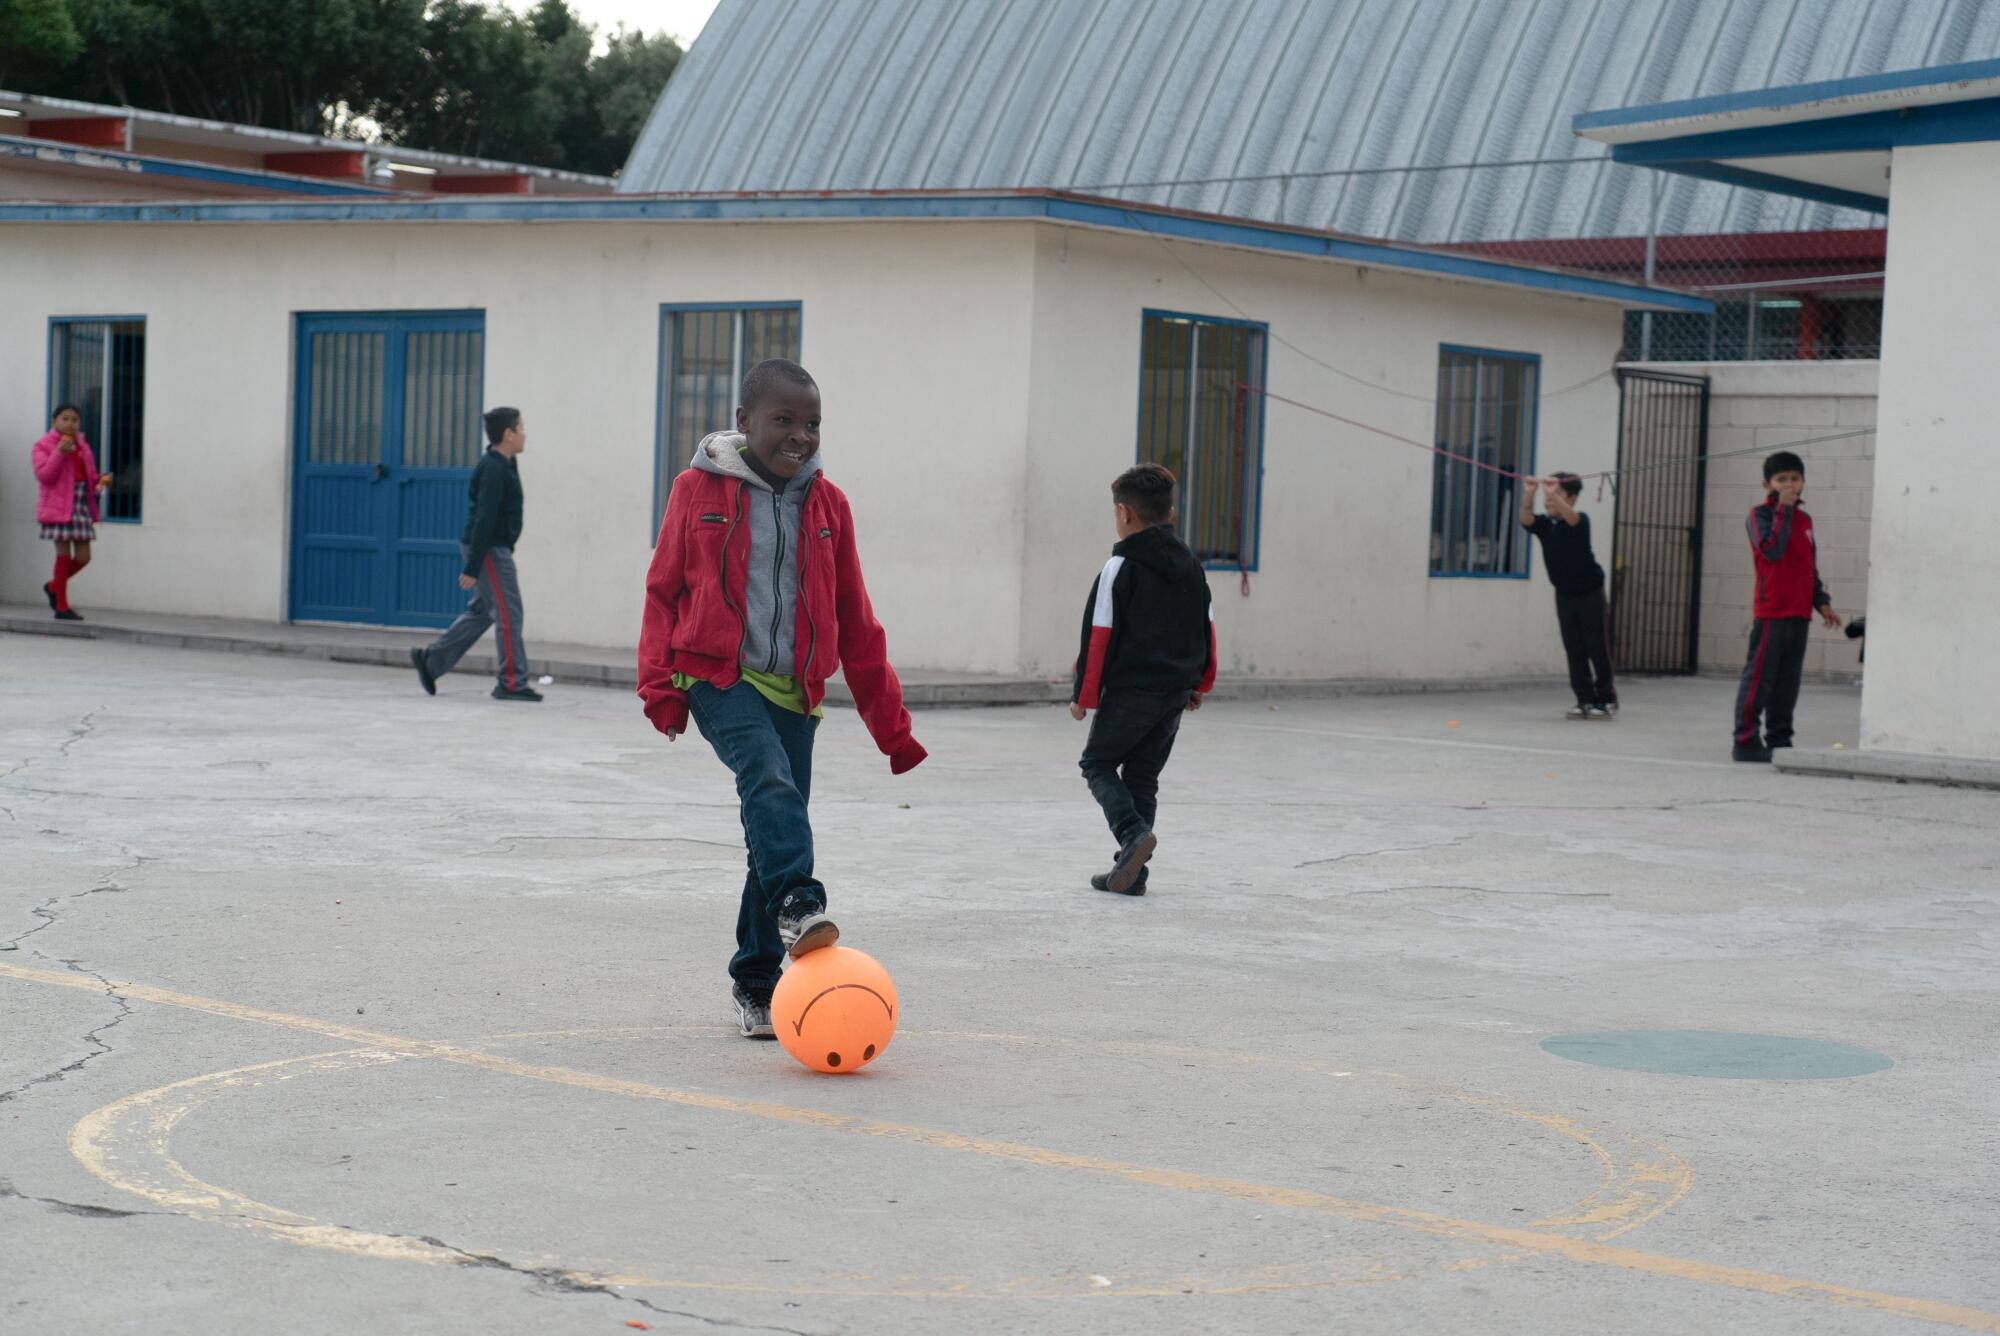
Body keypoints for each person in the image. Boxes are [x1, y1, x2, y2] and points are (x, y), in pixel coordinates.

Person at [637, 359, 926, 1041]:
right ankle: (801, 901)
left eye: (812, 424)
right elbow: (663, 588)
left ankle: (756, 980)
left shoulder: (828, 505)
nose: (799, 436)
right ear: (744, 423)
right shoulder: (695, 489)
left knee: (768, 829)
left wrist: (893, 728)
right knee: (768, 782)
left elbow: (856, 616)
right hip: (714, 674)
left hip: (795, 690)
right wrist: (659, 687)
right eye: (784, 421)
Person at [1069, 463, 1216, 896]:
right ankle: (1132, 876)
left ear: (1124, 513)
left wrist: (1083, 695)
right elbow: (1205, 627)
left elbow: (1099, 635)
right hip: (1173, 693)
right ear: (1170, 514)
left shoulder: (1121, 566)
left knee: (1097, 764)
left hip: (1132, 691)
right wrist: (1199, 684)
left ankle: (1132, 833)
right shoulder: (1192, 565)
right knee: (1142, 777)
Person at [409, 407, 539, 702]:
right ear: (508, 434)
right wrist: (472, 566)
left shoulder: (505, 463)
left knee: (482, 612)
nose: (524, 434)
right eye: (521, 428)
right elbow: (484, 518)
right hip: (490, 549)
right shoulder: (493, 469)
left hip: (492, 547)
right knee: (509, 613)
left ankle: (431, 661)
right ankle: (511, 682)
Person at [1733, 450, 1841, 762]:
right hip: (1772, 611)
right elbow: (1772, 551)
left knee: (1787, 680)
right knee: (1760, 677)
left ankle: (1780, 738)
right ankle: (1745, 740)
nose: (1789, 485)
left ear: (1804, 481)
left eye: (1795, 478)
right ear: (1767, 484)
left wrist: (1821, 603)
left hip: (1798, 614)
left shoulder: (1805, 520)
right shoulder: (1760, 516)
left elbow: (1808, 567)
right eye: (1782, 480)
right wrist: (1783, 509)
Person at [1518, 471, 1616, 719]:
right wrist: (1530, 493)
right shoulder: (1546, 526)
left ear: (1571, 498)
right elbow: (1526, 518)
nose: (1548, 501)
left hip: (1590, 594)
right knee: (1574, 648)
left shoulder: (1579, 521)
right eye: (1548, 497)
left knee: (1597, 647)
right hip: (1564, 595)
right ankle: (1584, 699)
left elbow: (1571, 518)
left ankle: (1605, 699)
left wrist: (1553, 493)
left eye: (1557, 496)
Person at [32, 405, 112, 622]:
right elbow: (45, 476)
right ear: (54, 421)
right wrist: (60, 452)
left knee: (84, 557)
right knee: (63, 555)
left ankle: (53, 586)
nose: (70, 423)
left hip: (80, 505)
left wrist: (101, 480)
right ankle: (62, 606)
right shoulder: (43, 445)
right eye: (64, 418)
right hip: (58, 506)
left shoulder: (83, 447)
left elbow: (90, 476)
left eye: (74, 419)